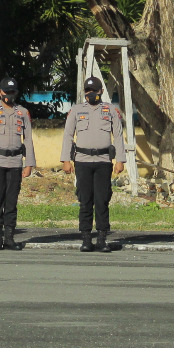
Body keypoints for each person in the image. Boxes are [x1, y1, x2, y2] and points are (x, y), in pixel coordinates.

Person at [60, 76, 125, 252]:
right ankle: (86, 238)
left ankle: (102, 238)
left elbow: (118, 136)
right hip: (82, 161)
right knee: (85, 200)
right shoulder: (76, 110)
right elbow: (68, 135)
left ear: (101, 91)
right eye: (88, 91)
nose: (91, 94)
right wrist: (66, 159)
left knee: (102, 200)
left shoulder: (110, 110)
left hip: (103, 161)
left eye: (94, 90)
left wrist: (120, 160)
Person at [0, 77, 37, 251]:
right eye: (6, 92)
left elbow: (29, 140)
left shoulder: (23, 112)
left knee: (11, 201)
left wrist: (29, 164)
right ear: (0, 92)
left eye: (13, 92)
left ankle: (9, 237)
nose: (10, 95)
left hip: (15, 162)